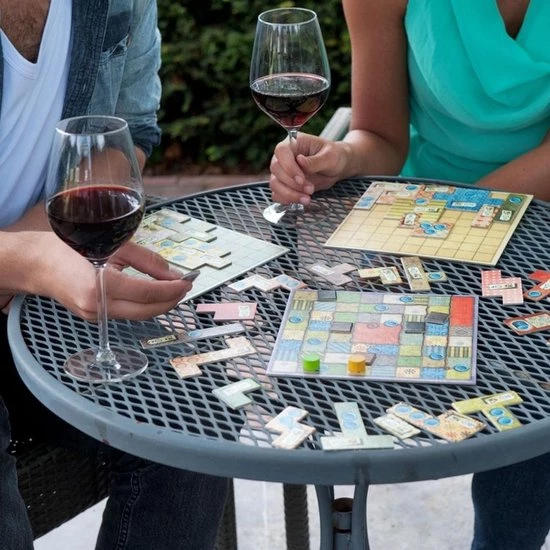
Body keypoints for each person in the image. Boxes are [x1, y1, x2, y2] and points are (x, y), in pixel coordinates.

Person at [269, 1, 550, 549]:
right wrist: (341, 158)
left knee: (536, 408)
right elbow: (381, 137)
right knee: (320, 376)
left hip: (525, 221)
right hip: (418, 233)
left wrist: (450, 218)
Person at [0, 1, 228, 549]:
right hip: (39, 276)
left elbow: (130, 129)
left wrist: (41, 248)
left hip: (41, 292)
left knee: (196, 415)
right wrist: (27, 260)